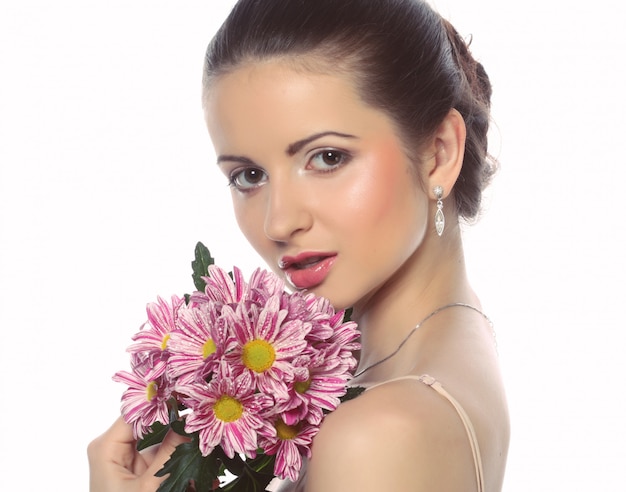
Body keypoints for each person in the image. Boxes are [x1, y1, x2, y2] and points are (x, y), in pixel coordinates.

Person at [88, 0, 510, 490]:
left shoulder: (380, 432)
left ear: (439, 154)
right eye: (249, 175)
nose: (278, 222)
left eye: (327, 157)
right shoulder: (427, 335)